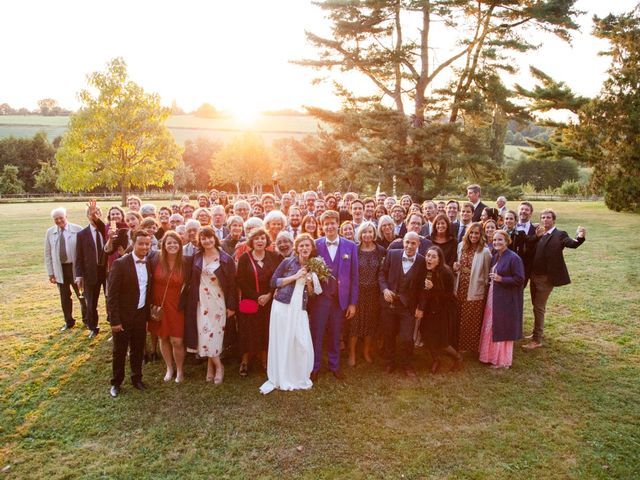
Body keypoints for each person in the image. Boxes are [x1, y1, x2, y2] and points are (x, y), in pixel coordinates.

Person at [259, 233, 320, 394]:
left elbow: (313, 294)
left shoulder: (315, 265)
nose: (305, 248)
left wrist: (308, 282)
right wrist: (295, 276)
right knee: (283, 340)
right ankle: (281, 375)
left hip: (300, 308)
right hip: (283, 306)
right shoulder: (287, 262)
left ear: (312, 248)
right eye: (301, 246)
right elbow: (274, 282)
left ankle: (298, 375)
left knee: (301, 342)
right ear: (297, 248)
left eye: (307, 245)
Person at [522, 209, 586, 350]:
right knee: (536, 306)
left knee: (539, 308)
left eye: (548, 217)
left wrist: (580, 236)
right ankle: (535, 333)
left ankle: (537, 340)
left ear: (554, 220)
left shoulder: (559, 234)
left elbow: (572, 244)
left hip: (546, 278)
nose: (545, 220)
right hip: (534, 276)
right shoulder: (539, 234)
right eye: (543, 217)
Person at [309, 210, 359, 382]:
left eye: (332, 223)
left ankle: (334, 365)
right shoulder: (315, 245)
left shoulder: (350, 246)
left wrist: (352, 303)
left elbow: (354, 277)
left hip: (340, 300)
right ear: (322, 226)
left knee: (336, 333)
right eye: (326, 223)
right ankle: (314, 367)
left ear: (338, 224)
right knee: (317, 333)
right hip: (320, 299)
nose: (330, 226)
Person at [184, 227, 237, 383]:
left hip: (219, 300)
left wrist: (232, 305)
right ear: (200, 241)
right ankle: (214, 364)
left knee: (216, 333)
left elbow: (233, 285)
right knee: (204, 332)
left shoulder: (226, 259)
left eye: (209, 237)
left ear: (215, 238)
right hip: (201, 300)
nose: (207, 241)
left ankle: (216, 366)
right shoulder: (196, 257)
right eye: (203, 238)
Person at [107, 230, 153, 397]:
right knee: (119, 351)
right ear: (133, 243)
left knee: (138, 348)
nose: (144, 247)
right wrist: (115, 320)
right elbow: (111, 295)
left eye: (147, 244)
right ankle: (116, 382)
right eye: (141, 243)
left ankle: (137, 378)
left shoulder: (148, 263)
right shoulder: (120, 264)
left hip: (140, 314)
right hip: (123, 316)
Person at [378, 232, 426, 377]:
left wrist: (421, 307)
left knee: (406, 337)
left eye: (413, 243)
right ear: (403, 242)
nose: (409, 246)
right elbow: (381, 274)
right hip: (389, 304)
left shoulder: (422, 261)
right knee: (388, 334)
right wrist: (384, 289)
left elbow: (423, 288)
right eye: (407, 242)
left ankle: (407, 365)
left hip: (408, 307)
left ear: (418, 244)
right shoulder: (392, 254)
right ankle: (389, 363)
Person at [236, 228, 283, 377]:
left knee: (266, 330)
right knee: (247, 331)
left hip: (269, 301)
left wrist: (269, 294)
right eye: (256, 238)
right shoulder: (245, 258)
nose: (260, 241)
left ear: (267, 241)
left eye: (263, 238)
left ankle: (265, 361)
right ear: (251, 241)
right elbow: (241, 281)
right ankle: (244, 361)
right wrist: (257, 297)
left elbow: (277, 278)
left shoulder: (274, 257)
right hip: (249, 300)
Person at [147, 231, 192, 382]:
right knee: (163, 336)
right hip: (158, 304)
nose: (172, 245)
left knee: (177, 340)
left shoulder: (186, 262)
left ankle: (180, 370)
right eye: (169, 243)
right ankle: (169, 368)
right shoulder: (154, 259)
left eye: (175, 243)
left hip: (177, 305)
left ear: (180, 245)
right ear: (163, 246)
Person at [479, 230, 525, 368]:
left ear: (507, 241)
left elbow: (520, 279)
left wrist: (502, 279)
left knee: (501, 326)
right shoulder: (496, 255)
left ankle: (501, 360)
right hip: (494, 295)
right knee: (491, 324)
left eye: (500, 240)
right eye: (495, 240)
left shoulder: (513, 258)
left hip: (506, 299)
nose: (497, 242)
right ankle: (489, 355)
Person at [419, 246, 463, 373]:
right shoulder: (425, 270)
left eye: (433, 256)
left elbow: (449, 296)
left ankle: (458, 357)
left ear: (439, 260)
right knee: (426, 334)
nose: (429, 258)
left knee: (442, 340)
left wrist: (433, 288)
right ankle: (436, 359)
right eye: (428, 255)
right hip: (429, 309)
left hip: (444, 309)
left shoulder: (446, 272)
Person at [348, 222, 385, 366]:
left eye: (370, 232)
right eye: (364, 232)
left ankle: (366, 351)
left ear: (374, 233)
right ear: (360, 234)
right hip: (357, 292)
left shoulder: (381, 250)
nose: (367, 235)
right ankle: (352, 353)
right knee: (354, 324)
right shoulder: (354, 250)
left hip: (373, 293)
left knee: (370, 323)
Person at [45, 207, 87, 331]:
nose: (59, 221)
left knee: (82, 295)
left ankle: (87, 320)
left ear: (66, 217)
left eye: (61, 218)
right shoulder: (50, 232)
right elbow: (48, 254)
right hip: (60, 269)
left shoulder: (77, 229)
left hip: (76, 268)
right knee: (64, 297)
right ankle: (68, 322)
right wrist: (51, 273)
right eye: (56, 219)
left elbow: (84, 252)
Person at [454, 223, 491, 353]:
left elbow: (487, 274)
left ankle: (468, 346)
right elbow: (456, 265)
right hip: (460, 287)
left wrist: (483, 289)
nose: (474, 236)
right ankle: (457, 343)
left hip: (474, 288)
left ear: (481, 235)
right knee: (459, 316)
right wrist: (455, 267)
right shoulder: (461, 247)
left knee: (470, 319)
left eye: (476, 233)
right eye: (471, 233)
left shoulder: (485, 251)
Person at [75, 204, 107, 339]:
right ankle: (93, 327)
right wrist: (79, 275)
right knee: (91, 302)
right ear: (87, 216)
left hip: (107, 271)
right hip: (90, 272)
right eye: (91, 213)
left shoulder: (107, 230)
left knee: (110, 299)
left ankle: (113, 324)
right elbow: (79, 256)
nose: (94, 215)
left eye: (97, 212)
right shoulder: (82, 234)